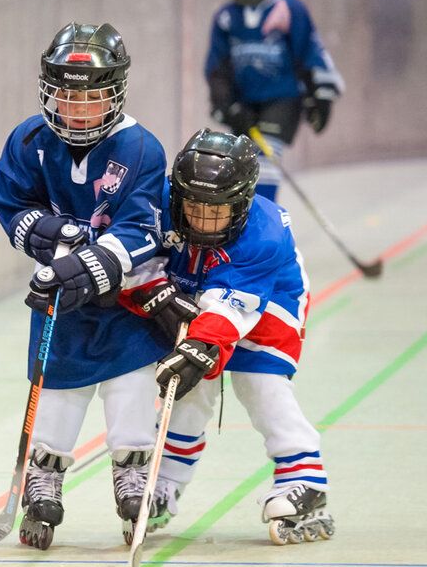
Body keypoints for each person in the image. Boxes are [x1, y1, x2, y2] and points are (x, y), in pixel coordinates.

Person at [0, 22, 171, 549]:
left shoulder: (141, 148)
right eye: (68, 95)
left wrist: (82, 266)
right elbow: (11, 208)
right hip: (59, 296)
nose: (78, 109)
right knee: (58, 389)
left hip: (128, 299)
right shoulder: (29, 139)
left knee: (130, 387)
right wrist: (54, 238)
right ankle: (43, 476)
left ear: (114, 94)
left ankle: (134, 471)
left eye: (92, 98)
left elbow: (141, 230)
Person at [126, 128, 335, 546]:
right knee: (186, 389)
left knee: (259, 382)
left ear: (239, 204)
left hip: (271, 298)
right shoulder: (160, 204)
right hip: (193, 292)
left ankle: (304, 476)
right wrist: (154, 296)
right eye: (193, 207)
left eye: (216, 211)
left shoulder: (265, 232)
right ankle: (165, 481)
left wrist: (199, 347)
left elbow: (230, 311)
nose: (202, 220)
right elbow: (135, 256)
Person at [206, 0, 344, 201]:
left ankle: (266, 216)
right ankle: (246, 224)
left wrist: (321, 95)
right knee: (242, 165)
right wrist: (226, 104)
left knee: (266, 159)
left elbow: (312, 52)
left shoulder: (289, 8)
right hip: (244, 104)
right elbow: (217, 68)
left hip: (283, 99)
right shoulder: (226, 17)